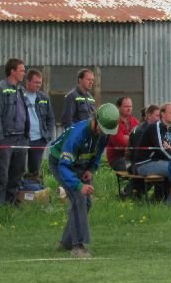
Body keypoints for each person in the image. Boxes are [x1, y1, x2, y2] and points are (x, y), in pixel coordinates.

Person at [48, 102, 119, 258]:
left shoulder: (104, 134)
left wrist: (91, 169)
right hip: (61, 163)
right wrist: (78, 185)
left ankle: (66, 242)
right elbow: (64, 166)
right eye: (102, 129)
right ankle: (78, 246)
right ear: (95, 120)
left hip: (82, 163)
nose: (104, 133)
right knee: (78, 197)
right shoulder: (77, 135)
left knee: (86, 203)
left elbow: (97, 153)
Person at [0, 58, 29, 206]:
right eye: (21, 70)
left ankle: (10, 203)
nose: (24, 73)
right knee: (2, 174)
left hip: (21, 138)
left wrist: (26, 135)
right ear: (12, 71)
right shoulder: (0, 89)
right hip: (6, 138)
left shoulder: (21, 90)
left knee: (17, 173)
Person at [133, 103, 171, 200]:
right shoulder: (155, 127)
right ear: (163, 114)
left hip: (161, 161)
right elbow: (161, 148)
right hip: (146, 163)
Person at [24, 68, 55, 180]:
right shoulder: (19, 96)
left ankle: (34, 187)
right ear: (28, 82)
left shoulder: (44, 97)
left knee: (35, 169)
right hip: (22, 138)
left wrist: (48, 135)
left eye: (40, 83)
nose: (38, 85)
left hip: (39, 139)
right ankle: (18, 189)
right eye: (36, 82)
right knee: (18, 168)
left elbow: (50, 118)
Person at [105, 96, 139, 171]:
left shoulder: (135, 121)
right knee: (135, 168)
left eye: (130, 106)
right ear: (119, 107)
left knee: (144, 164)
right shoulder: (113, 123)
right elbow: (120, 144)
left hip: (132, 156)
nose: (129, 109)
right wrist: (132, 138)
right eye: (126, 106)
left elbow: (141, 140)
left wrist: (127, 137)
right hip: (117, 159)